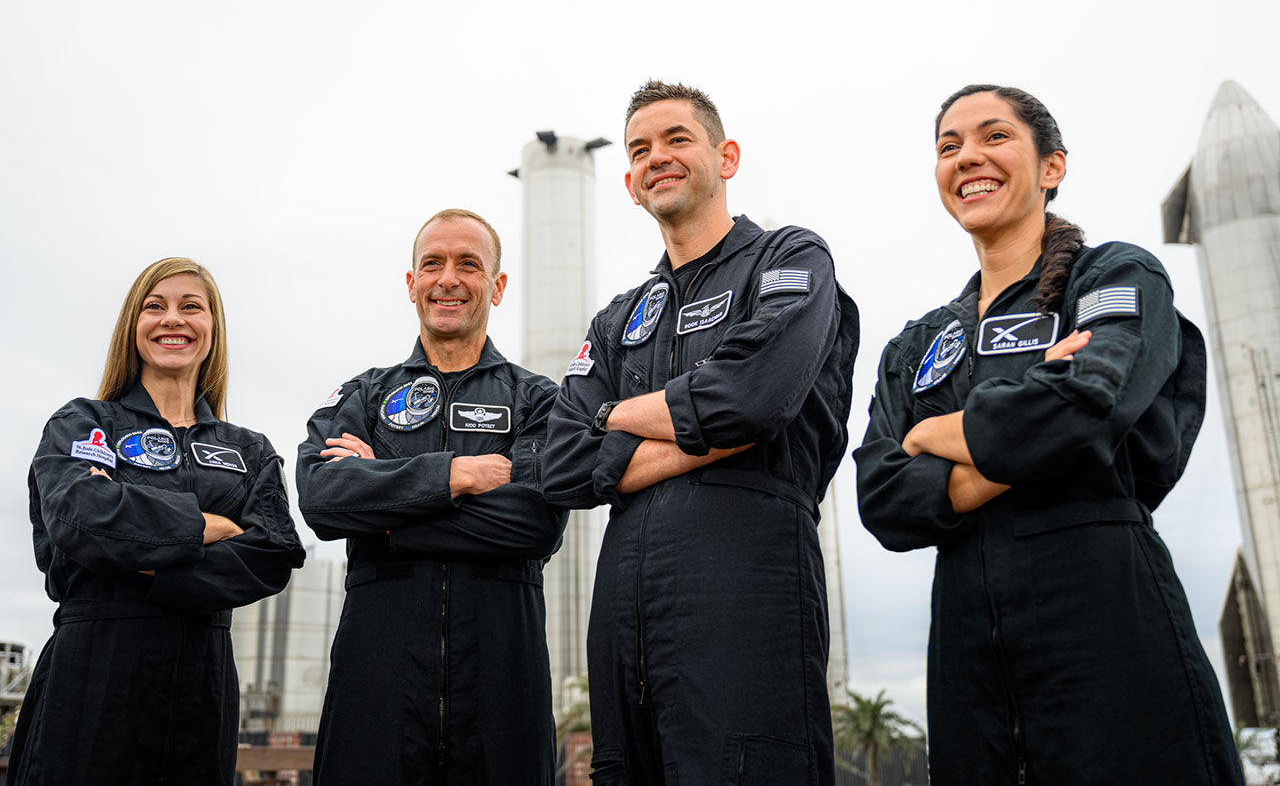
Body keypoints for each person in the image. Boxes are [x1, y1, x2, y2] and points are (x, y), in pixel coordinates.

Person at [855, 84, 1243, 784]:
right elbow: (883, 498)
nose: (967, 155)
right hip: (967, 652)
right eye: (949, 146)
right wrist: (1033, 415)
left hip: (1108, 619)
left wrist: (935, 433)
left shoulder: (1112, 276)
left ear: (1051, 167)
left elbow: (1089, 408)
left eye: (994, 136)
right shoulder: (920, 344)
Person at [543, 81, 859, 784]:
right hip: (625, 614)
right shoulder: (618, 319)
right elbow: (561, 464)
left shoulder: (789, 259)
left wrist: (613, 416)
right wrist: (695, 426)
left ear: (728, 156)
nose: (658, 157)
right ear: (628, 183)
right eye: (640, 150)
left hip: (748, 591)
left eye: (677, 139)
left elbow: (752, 398)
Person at [8, 257, 305, 786]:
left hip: (204, 685)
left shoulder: (247, 450)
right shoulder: (85, 423)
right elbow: (81, 516)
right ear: (133, 326)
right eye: (155, 306)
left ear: (212, 328)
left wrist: (146, 565)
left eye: (192, 307)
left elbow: (273, 553)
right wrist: (204, 525)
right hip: (94, 672)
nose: (173, 319)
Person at [296, 209, 567, 784]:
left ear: (496, 286)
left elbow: (534, 523)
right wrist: (454, 476)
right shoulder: (364, 395)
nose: (448, 279)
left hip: (501, 688)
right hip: (378, 686)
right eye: (432, 264)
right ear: (411, 284)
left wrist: (384, 512)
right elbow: (322, 498)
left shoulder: (540, 401)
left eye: (469, 264)